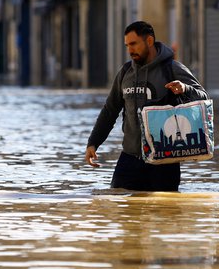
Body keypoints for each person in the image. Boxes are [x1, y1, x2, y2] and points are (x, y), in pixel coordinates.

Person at [85, 21, 208, 191]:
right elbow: (110, 110)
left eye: (134, 44)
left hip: (164, 161)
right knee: (121, 207)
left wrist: (184, 89)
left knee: (165, 210)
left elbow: (204, 98)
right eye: (127, 45)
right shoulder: (125, 73)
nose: (130, 50)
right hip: (129, 159)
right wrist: (93, 142)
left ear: (149, 41)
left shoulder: (172, 69)